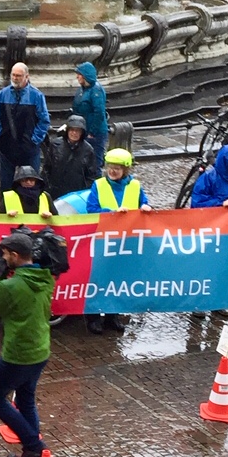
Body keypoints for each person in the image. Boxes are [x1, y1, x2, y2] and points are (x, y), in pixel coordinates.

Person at [0, 229, 59, 457]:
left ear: (15, 255)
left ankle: (34, 445)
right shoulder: (47, 278)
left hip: (17, 354)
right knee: (25, 397)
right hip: (40, 350)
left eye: (6, 254)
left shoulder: (10, 285)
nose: (3, 257)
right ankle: (31, 456)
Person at [83, 148, 151, 332]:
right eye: (110, 167)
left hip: (126, 242)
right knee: (99, 278)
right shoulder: (99, 185)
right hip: (103, 240)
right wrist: (112, 213)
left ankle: (112, 316)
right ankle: (93, 318)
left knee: (118, 279)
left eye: (117, 168)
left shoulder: (135, 186)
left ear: (125, 170)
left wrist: (146, 207)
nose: (112, 171)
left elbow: (143, 202)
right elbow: (92, 209)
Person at [0, 63, 50, 191]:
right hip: (7, 148)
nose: (15, 78)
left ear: (26, 77)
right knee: (6, 186)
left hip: (29, 149)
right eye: (13, 75)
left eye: (19, 75)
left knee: (30, 186)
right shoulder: (3, 94)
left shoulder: (36, 95)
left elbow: (44, 121)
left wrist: (34, 140)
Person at [44, 115, 100, 203]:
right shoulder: (55, 145)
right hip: (55, 191)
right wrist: (47, 187)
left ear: (82, 133)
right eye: (72, 130)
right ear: (67, 131)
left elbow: (92, 175)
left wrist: (84, 192)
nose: (74, 133)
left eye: (78, 131)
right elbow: (47, 168)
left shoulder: (88, 150)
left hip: (76, 193)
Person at [72, 62, 109, 148]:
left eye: (79, 74)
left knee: (95, 155)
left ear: (86, 76)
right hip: (83, 130)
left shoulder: (96, 91)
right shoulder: (81, 90)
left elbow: (99, 113)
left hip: (95, 134)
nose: (77, 77)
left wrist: (92, 133)